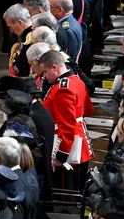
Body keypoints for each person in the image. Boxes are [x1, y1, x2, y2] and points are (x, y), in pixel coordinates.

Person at [39, 50, 93, 191]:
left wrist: (61, 156)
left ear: (54, 68)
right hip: (80, 142)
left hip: (70, 148)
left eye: (45, 72)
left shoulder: (63, 89)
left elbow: (67, 125)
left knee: (66, 192)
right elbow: (88, 109)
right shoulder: (76, 80)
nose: (44, 76)